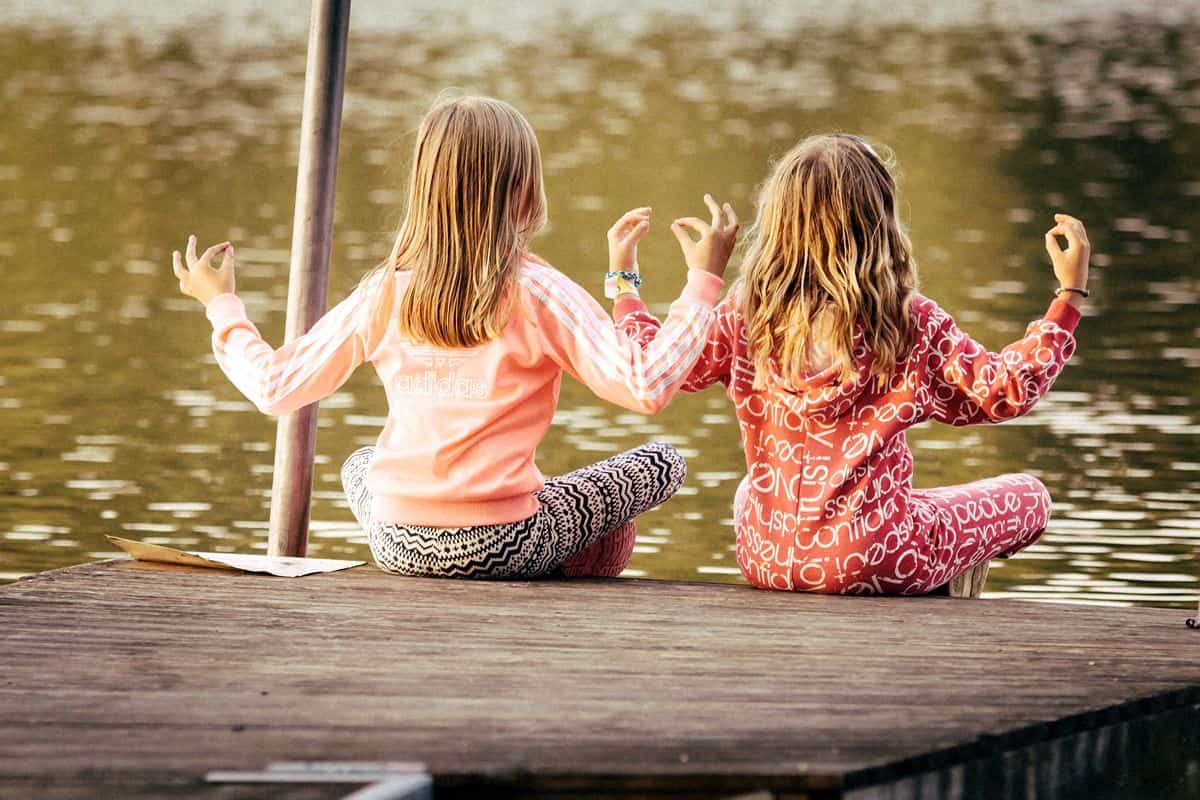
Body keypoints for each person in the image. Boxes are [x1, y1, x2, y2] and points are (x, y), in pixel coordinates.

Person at [170, 94, 739, 579]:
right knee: (662, 462)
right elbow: (646, 384)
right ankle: (567, 566)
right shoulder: (538, 290)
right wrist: (703, 282)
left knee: (360, 462)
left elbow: (273, 387)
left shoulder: (385, 291)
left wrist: (221, 304)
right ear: (524, 190)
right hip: (503, 543)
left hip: (398, 544)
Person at [616, 134, 1087, 596]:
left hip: (769, 557)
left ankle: (854, 535)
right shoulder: (908, 321)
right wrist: (1068, 298)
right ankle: (907, 547)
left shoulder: (746, 313)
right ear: (880, 223)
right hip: (875, 555)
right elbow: (1006, 390)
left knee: (749, 491)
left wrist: (624, 284)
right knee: (1030, 496)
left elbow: (663, 364)